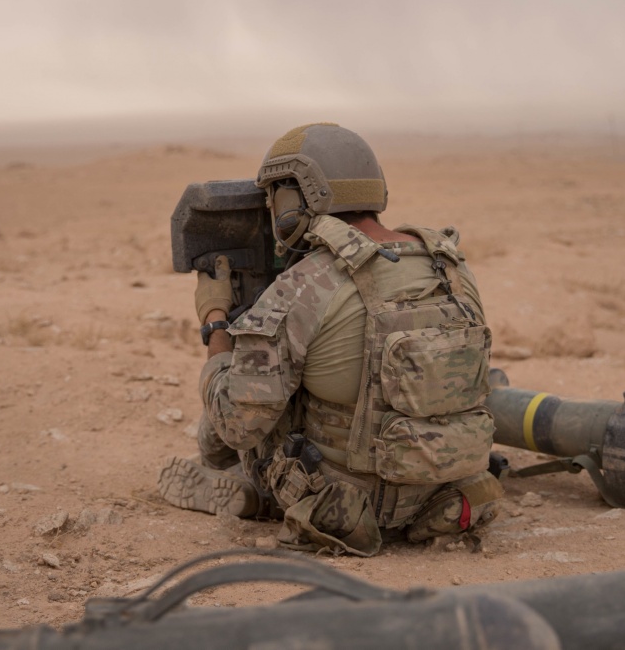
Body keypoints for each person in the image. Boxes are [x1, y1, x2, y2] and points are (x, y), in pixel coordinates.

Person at [159, 123, 502, 556]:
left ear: (294, 199)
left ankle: (251, 492)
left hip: (346, 513)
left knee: (228, 412)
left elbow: (237, 424)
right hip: (449, 502)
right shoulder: (449, 265)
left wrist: (215, 324)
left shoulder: (306, 284)